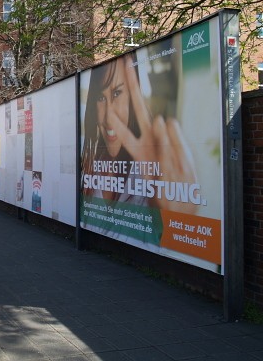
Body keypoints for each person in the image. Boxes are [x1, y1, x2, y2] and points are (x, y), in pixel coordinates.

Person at [80, 53, 199, 244]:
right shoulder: (89, 169)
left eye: (117, 93)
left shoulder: (149, 176)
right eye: (101, 98)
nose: (108, 116)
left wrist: (178, 218)